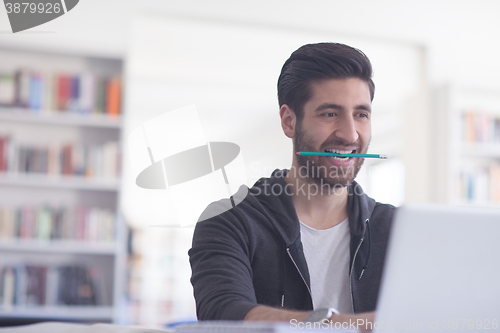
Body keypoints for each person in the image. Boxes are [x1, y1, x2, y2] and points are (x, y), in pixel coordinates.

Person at [188, 42, 395, 328]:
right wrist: (350, 325)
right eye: (329, 113)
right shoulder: (228, 221)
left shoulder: (397, 228)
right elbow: (224, 313)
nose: (350, 134)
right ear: (289, 121)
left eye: (361, 114)